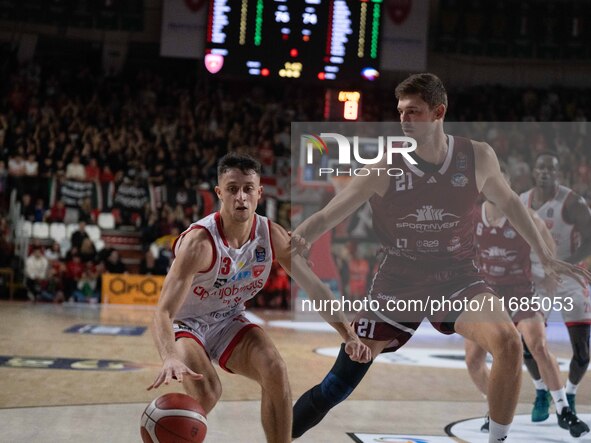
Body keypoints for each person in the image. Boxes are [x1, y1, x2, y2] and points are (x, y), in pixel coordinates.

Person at [290, 73, 591, 443]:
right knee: (336, 387)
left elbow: (511, 203)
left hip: (456, 279)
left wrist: (546, 256)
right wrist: (298, 237)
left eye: (413, 112)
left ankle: (497, 440)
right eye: (400, 111)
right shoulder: (385, 166)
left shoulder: (477, 156)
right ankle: (277, 436)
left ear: (438, 113)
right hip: (398, 286)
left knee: (510, 344)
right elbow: (327, 215)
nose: (403, 119)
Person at [148, 153, 370, 443]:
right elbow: (162, 313)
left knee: (275, 368)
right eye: (232, 188)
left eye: (248, 188)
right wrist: (168, 357)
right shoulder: (199, 244)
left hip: (228, 319)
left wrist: (349, 335)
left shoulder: (271, 235)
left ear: (259, 193)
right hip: (187, 324)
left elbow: (315, 288)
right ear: (219, 193)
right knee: (208, 391)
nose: (241, 197)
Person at [465, 168, 588, 437]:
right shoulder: (471, 217)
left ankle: (564, 410)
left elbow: (547, 245)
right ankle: (495, 404)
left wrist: (548, 272)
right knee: (473, 360)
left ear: (505, 185)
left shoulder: (524, 215)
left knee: (538, 344)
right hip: (485, 293)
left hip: (519, 290)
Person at [519, 152, 591, 419]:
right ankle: (541, 392)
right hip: (537, 280)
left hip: (571, 279)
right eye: (541, 168)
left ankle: (570, 393)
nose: (545, 172)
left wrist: (565, 264)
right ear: (533, 172)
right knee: (529, 345)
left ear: (559, 174)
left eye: (551, 169)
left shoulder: (573, 202)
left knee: (582, 352)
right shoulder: (522, 201)